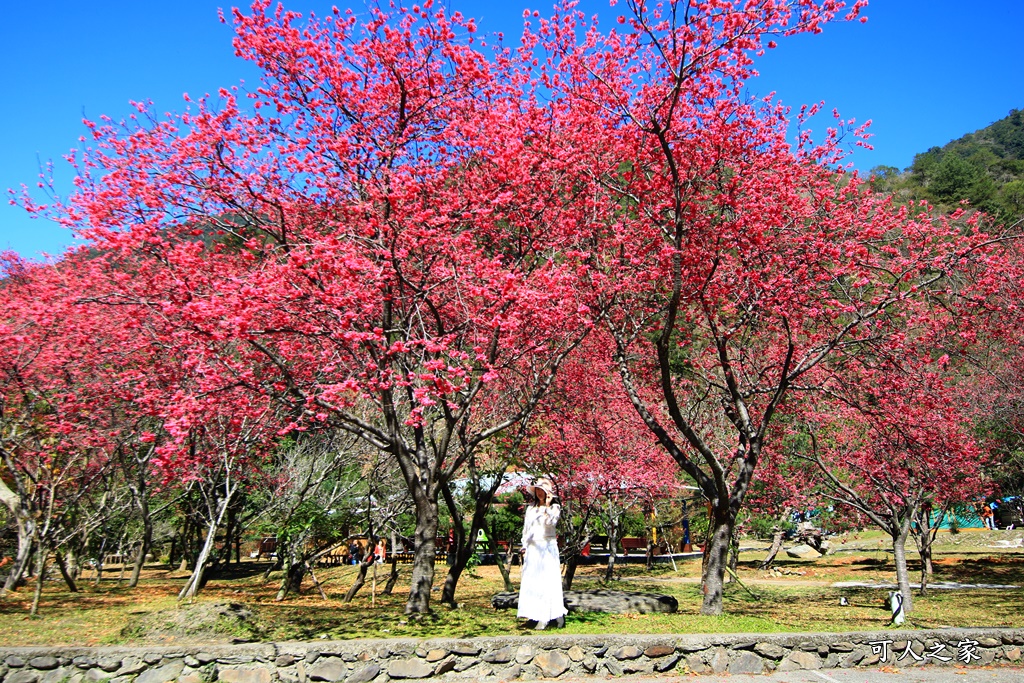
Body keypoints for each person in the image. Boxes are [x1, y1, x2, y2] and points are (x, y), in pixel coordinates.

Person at [517, 477, 567, 630]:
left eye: (543, 490)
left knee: (547, 581)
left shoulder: (554, 508)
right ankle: (534, 614)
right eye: (538, 490)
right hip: (533, 547)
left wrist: (547, 505)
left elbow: (550, 523)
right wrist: (524, 545)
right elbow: (527, 528)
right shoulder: (531, 508)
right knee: (533, 582)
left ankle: (549, 616)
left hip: (547, 546)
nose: (539, 493)